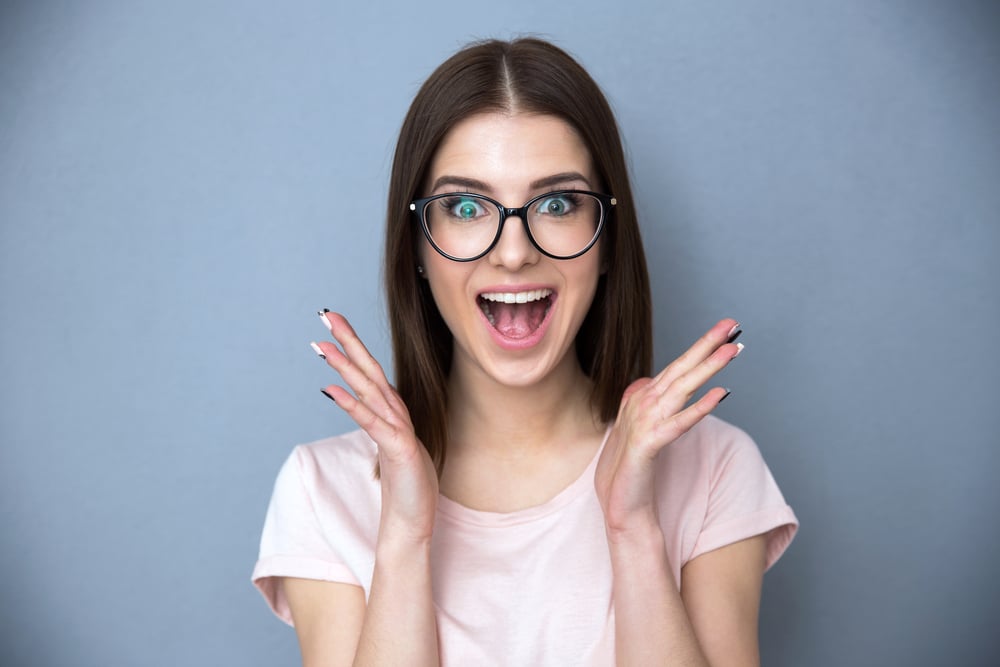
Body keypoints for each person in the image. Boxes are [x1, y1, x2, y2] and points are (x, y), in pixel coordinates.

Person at [252, 37, 797, 666]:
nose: (513, 252)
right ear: (420, 250)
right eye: (465, 206)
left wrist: (631, 530)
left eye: (558, 203)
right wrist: (403, 538)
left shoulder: (716, 469)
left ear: (608, 240)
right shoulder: (324, 490)